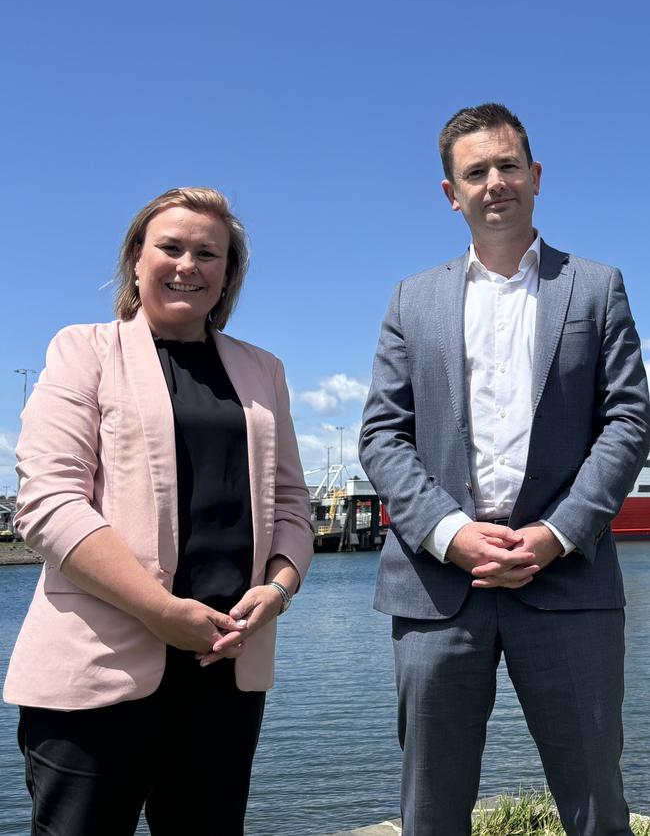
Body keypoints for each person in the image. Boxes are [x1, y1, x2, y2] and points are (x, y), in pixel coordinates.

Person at [359, 103, 650, 836]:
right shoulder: (409, 299)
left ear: (536, 175)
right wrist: (450, 532)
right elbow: (382, 435)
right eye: (475, 172)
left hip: (568, 579)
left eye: (508, 165)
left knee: (595, 802)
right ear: (450, 193)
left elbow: (628, 421)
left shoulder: (597, 287)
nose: (495, 182)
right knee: (430, 807)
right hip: (437, 587)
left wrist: (557, 532)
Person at [3, 187, 313, 836]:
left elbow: (291, 506)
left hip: (225, 673)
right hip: (96, 677)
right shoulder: (82, 350)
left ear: (228, 275)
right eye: (170, 246)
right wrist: (160, 610)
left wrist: (278, 590)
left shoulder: (264, 371)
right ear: (136, 260)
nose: (187, 264)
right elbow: (48, 501)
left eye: (208, 253)